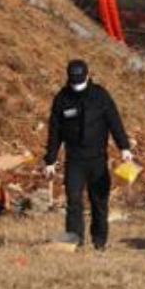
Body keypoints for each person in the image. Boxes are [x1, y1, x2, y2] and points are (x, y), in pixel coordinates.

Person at [42, 60, 132, 250]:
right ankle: (75, 241)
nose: (77, 84)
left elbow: (114, 121)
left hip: (98, 159)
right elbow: (55, 132)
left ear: (87, 75)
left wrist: (124, 147)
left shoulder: (100, 96)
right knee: (74, 201)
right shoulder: (62, 98)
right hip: (74, 160)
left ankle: (99, 242)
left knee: (99, 202)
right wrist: (50, 160)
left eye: (79, 79)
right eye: (74, 80)